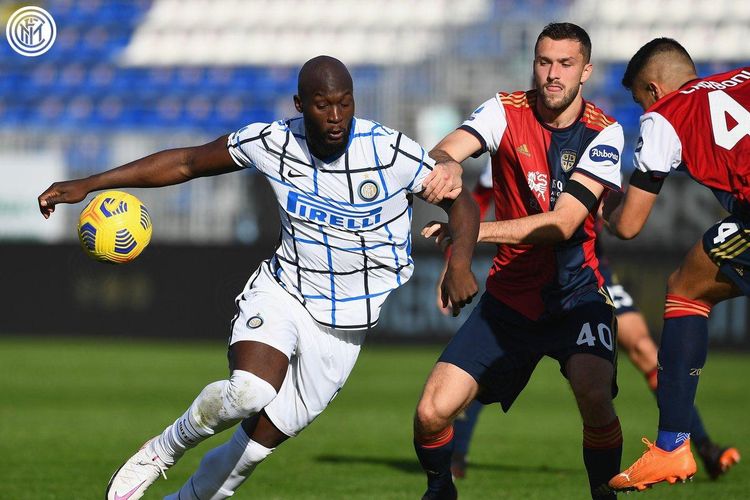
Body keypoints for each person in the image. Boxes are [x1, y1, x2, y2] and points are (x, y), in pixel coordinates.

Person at [38, 55, 480, 500]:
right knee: (249, 390)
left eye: (345, 104)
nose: (335, 117)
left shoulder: (388, 151)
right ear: (300, 104)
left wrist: (458, 262)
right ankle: (160, 451)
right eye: (322, 105)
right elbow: (189, 162)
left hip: (346, 327)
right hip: (284, 291)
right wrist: (91, 183)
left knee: (252, 450)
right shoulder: (272, 142)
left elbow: (460, 202)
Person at [413, 23, 624, 500]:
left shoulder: (604, 131)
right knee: (430, 413)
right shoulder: (503, 110)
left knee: (594, 393)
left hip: (577, 295)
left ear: (585, 71)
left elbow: (565, 223)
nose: (553, 74)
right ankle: (440, 490)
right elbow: (447, 147)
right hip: (510, 297)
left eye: (565, 64)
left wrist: (470, 233)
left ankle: (604, 493)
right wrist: (445, 162)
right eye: (544, 62)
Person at [441, 162, 739, 482]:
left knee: (643, 349)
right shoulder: (511, 143)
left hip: (589, 275)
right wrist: (455, 262)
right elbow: (477, 200)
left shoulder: (592, 139)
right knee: (485, 363)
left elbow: (615, 210)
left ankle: (700, 446)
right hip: (526, 278)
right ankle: (455, 454)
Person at [604, 39, 748, 492]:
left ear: (653, 88)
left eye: (639, 100)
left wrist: (594, 197)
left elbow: (629, 225)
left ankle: (672, 448)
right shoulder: (741, 76)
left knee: (687, 291)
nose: (642, 109)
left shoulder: (664, 115)